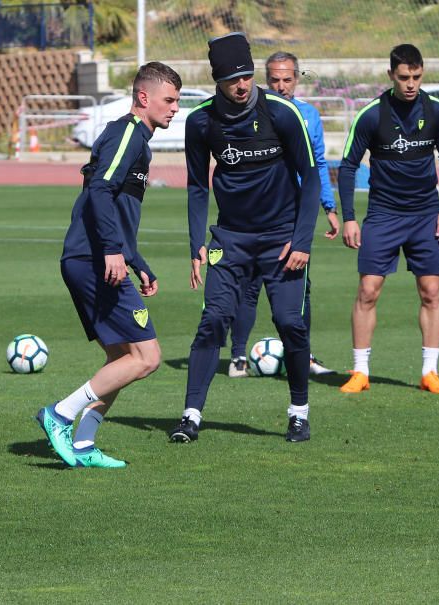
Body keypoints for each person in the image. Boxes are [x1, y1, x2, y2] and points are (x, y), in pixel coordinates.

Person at [169, 33, 321, 444]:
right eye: (232, 78)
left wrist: (303, 240)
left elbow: (311, 179)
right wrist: (195, 243)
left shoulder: (283, 114)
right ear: (217, 80)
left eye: (246, 76)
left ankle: (298, 413)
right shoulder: (201, 122)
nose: (242, 85)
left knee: (291, 323)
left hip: (282, 240)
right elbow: (197, 186)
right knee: (213, 320)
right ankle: (190, 416)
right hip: (230, 239)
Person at [36, 62, 181, 468]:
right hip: (94, 260)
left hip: (97, 258)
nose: (173, 109)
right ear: (143, 97)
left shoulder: (137, 140)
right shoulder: (128, 133)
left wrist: (136, 260)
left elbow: (115, 207)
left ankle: (83, 444)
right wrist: (115, 253)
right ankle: (59, 415)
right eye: (168, 100)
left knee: (122, 359)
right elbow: (98, 188)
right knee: (147, 357)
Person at [337, 43, 439, 395]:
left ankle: (429, 372)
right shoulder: (372, 115)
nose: (411, 84)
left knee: (431, 291)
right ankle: (360, 371)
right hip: (383, 216)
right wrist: (349, 218)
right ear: (390, 75)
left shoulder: (437, 113)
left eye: (417, 77)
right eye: (404, 77)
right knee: (368, 290)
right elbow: (347, 166)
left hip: (425, 216)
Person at [226, 50, 340, 379]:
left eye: (287, 79)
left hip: (294, 215)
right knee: (249, 284)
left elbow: (317, 165)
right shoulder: (251, 113)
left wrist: (329, 207)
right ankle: (237, 357)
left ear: (297, 78)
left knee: (299, 286)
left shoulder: (309, 116)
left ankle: (300, 355)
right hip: (255, 214)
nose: (281, 86)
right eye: (274, 80)